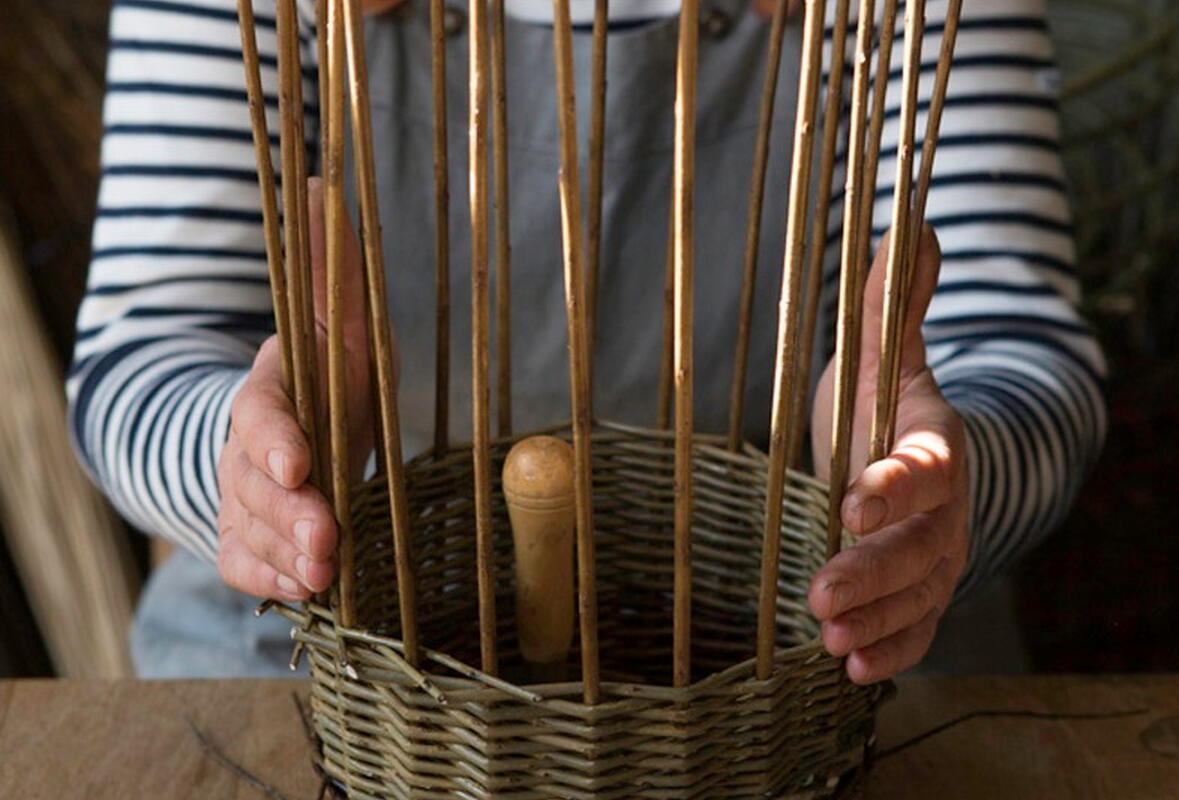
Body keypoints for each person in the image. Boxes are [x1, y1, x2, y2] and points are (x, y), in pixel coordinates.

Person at [69, 0, 1105, 682]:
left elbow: (1015, 346)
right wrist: (258, 474)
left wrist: (922, 487)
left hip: (810, 654)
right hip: (326, 658)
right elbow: (144, 351)